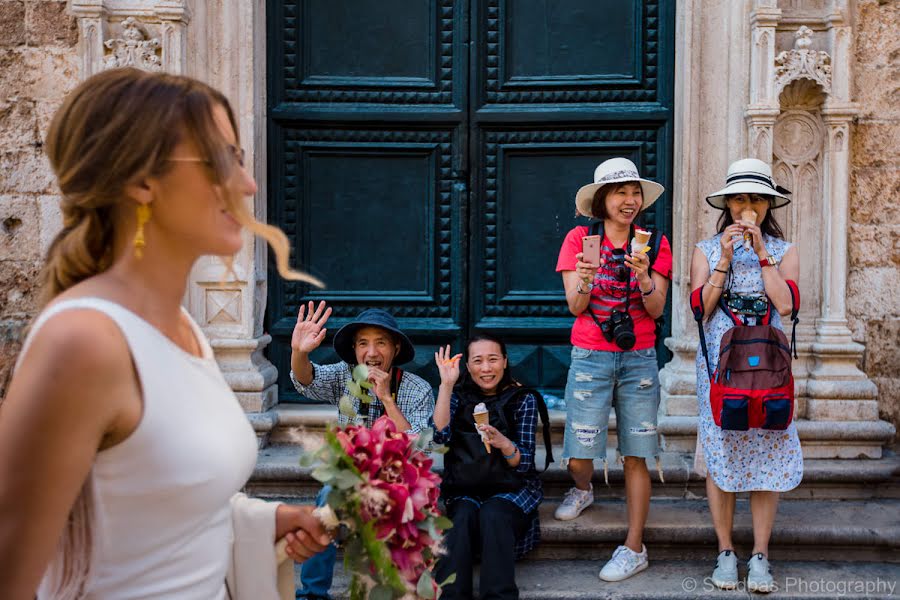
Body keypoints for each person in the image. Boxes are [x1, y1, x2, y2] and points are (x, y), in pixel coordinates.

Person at [0, 68, 330, 600]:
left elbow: (147, 499)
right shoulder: (84, 341)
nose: (248, 186)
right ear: (141, 181)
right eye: (222, 160)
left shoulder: (183, 329)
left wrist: (265, 521)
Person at [554, 157, 672, 582]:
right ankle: (583, 488)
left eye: (634, 192)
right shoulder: (579, 239)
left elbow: (657, 310)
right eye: (620, 192)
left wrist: (644, 279)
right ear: (602, 199)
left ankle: (634, 546)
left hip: (639, 357)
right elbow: (575, 306)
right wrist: (585, 278)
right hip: (590, 355)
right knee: (581, 450)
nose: (630, 200)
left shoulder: (653, 243)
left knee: (637, 454)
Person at [690, 158, 802, 594]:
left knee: (767, 451)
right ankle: (724, 552)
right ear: (728, 204)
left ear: (768, 204)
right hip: (720, 366)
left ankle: (760, 555)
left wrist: (759, 254)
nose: (747, 207)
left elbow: (787, 305)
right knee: (722, 450)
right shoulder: (705, 248)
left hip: (768, 368)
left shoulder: (783, 250)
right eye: (740, 198)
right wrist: (724, 258)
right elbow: (700, 309)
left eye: (756, 198)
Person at [290, 305, 435, 600]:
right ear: (355, 349)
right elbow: (307, 381)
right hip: (351, 479)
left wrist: (386, 399)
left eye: (381, 342)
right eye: (363, 343)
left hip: (399, 484)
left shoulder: (418, 389)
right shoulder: (345, 376)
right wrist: (299, 353)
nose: (372, 352)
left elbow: (420, 446)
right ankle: (313, 595)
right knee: (326, 498)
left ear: (395, 348)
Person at [431, 334, 545, 600]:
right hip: (465, 486)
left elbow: (525, 462)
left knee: (494, 514)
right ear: (468, 366)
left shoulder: (522, 399)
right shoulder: (457, 397)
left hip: (512, 490)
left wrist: (504, 443)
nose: (486, 368)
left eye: (493, 359)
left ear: (505, 362)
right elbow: (439, 436)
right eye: (478, 361)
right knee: (460, 519)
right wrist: (446, 385)